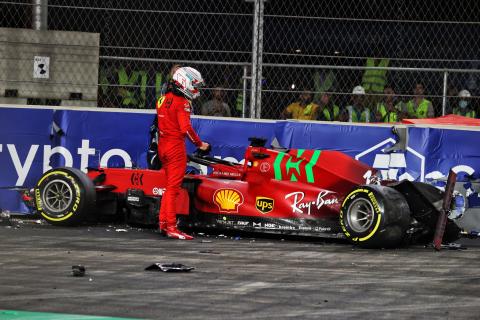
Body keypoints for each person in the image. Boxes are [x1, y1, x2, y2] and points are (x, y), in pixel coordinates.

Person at [156, 66, 210, 240]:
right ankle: (171, 226)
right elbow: (185, 128)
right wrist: (200, 144)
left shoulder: (162, 100)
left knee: (168, 188)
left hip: (163, 146)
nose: (196, 90)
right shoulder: (183, 103)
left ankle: (164, 223)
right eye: (194, 85)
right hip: (175, 148)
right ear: (185, 83)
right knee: (173, 189)